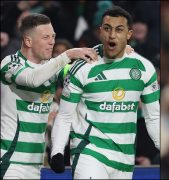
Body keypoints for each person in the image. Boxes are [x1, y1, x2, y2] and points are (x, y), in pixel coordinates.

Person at [50, 6, 160, 179]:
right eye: (107, 29)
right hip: (89, 151)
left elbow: (153, 117)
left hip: (124, 157)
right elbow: (64, 116)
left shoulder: (144, 68)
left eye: (119, 30)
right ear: (100, 31)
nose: (112, 35)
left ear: (129, 34)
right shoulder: (83, 67)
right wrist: (57, 151)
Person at [0, 13, 98, 179]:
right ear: (28, 41)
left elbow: (82, 72)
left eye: (53, 36)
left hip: (36, 163)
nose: (52, 41)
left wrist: (119, 54)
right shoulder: (10, 63)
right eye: (45, 37)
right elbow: (33, 79)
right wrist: (68, 54)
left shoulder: (52, 67)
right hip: (10, 161)